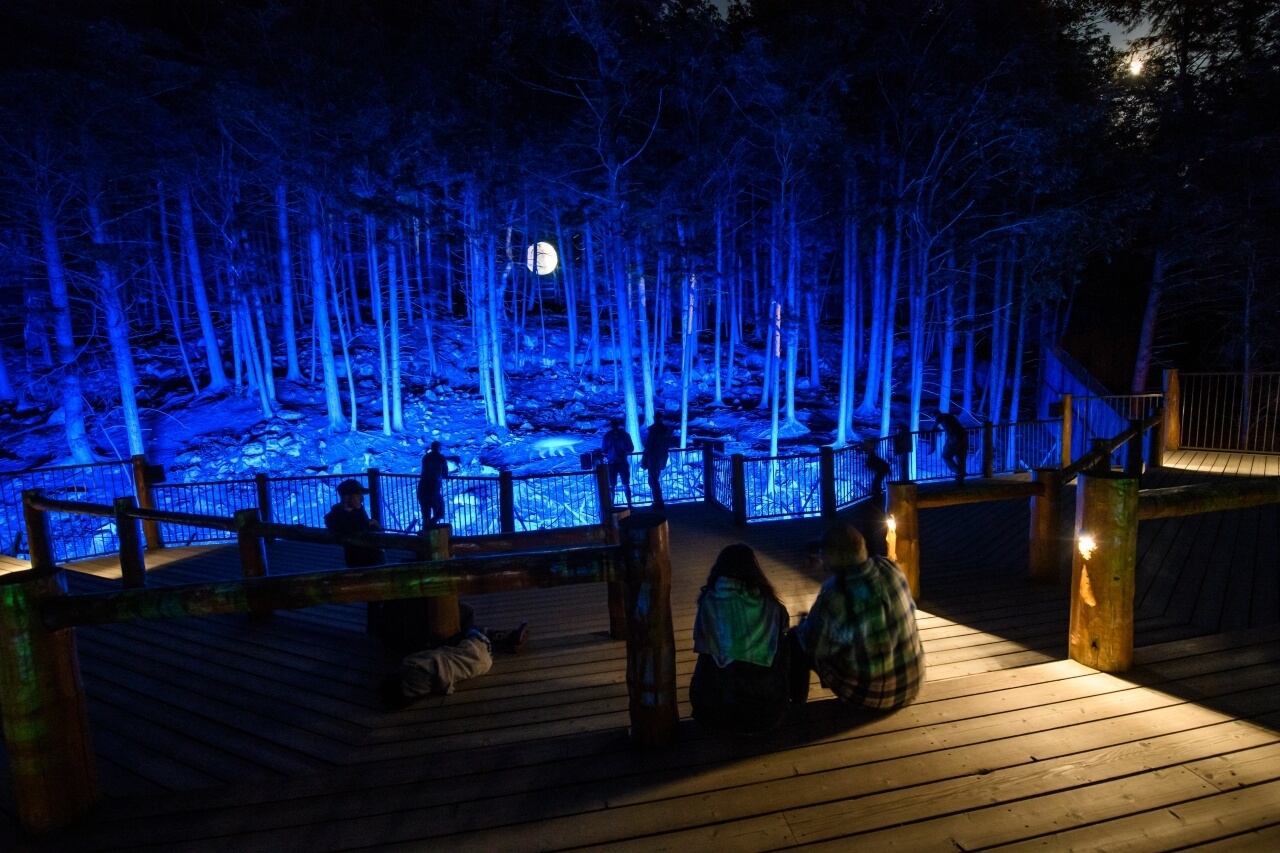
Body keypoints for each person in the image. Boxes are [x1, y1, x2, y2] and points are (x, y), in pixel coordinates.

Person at [789, 522, 924, 711]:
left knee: (796, 641)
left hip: (872, 696)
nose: (821, 557)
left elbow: (814, 647)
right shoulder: (890, 568)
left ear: (831, 559)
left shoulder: (834, 596)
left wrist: (804, 622)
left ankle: (797, 709)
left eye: (823, 553)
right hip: (911, 685)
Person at [690, 544, 792, 733]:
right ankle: (795, 701)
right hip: (767, 714)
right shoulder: (771, 606)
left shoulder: (709, 601)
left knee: (709, 654)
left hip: (712, 716)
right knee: (785, 639)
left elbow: (701, 640)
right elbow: (784, 626)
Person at [324, 479, 385, 568]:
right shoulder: (336, 516)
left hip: (372, 558)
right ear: (346, 498)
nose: (361, 498)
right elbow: (351, 530)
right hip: (358, 560)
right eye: (358, 495)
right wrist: (369, 524)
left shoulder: (358, 510)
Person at [601, 418, 634, 508]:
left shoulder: (607, 436)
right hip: (623, 462)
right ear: (618, 425)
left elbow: (604, 451)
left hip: (612, 463)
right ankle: (629, 505)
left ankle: (612, 505)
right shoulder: (625, 435)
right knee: (626, 484)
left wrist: (610, 451)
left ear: (611, 426)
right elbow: (631, 449)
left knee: (612, 485)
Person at [640, 413, 671, 509]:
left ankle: (658, 501)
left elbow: (649, 446)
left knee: (653, 480)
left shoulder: (654, 431)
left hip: (653, 458)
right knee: (654, 480)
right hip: (660, 458)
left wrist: (644, 459)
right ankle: (658, 500)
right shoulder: (665, 431)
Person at [417, 441, 450, 528]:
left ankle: (426, 532)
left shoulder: (426, 457)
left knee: (425, 515)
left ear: (431, 448)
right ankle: (431, 527)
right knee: (440, 511)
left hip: (422, 488)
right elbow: (445, 473)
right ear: (439, 448)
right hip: (433, 488)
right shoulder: (440, 457)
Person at [932, 410, 969, 484]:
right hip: (964, 436)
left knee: (946, 456)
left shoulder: (940, 417)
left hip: (954, 438)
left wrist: (938, 430)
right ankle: (960, 480)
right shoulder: (949, 416)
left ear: (935, 415)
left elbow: (933, 428)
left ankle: (959, 471)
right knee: (961, 458)